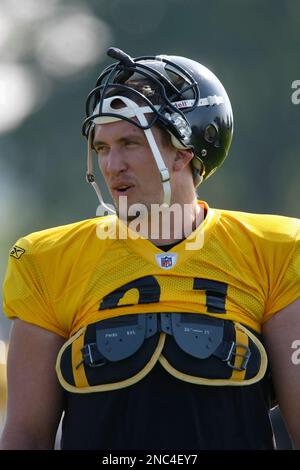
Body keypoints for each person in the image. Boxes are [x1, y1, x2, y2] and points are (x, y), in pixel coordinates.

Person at [1, 47, 299, 450]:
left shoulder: (276, 250)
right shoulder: (45, 259)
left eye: (130, 143)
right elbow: (26, 436)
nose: (112, 165)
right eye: (102, 147)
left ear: (183, 153)